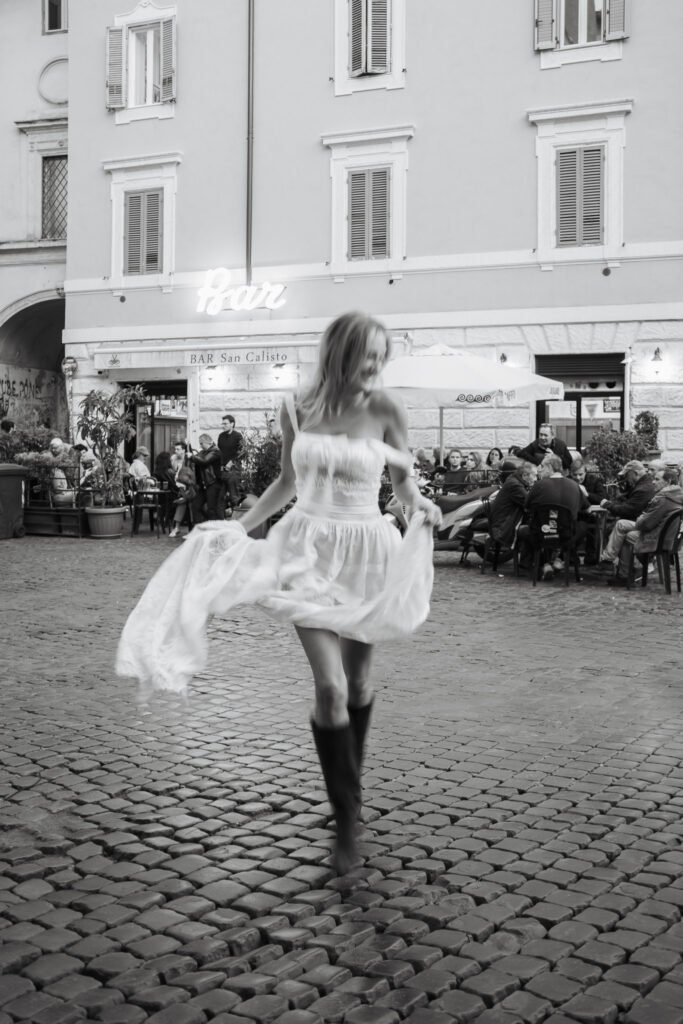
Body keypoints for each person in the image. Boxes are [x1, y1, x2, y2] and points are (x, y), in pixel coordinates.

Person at [117, 311, 442, 874]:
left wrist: (423, 503)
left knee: (361, 682)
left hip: (367, 549)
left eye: (381, 358)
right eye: (367, 356)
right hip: (306, 550)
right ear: (340, 353)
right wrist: (239, 529)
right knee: (332, 684)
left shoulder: (388, 409)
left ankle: (350, 785)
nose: (375, 367)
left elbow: (402, 482)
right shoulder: (298, 406)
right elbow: (288, 483)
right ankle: (346, 820)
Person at [607, 468, 683, 587]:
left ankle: (623, 573)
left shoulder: (664, 499)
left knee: (627, 535)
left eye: (657, 479)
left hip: (657, 539)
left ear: (667, 482)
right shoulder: (676, 495)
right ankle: (615, 563)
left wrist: (640, 517)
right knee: (621, 524)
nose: (653, 482)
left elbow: (646, 524)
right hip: (668, 537)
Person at [518, 454, 588, 578]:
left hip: (542, 534)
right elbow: (587, 508)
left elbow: (526, 506)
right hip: (566, 535)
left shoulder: (539, 485)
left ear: (550, 467)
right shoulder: (574, 486)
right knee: (583, 526)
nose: (540, 469)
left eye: (542, 466)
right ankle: (559, 560)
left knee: (525, 531)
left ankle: (544, 564)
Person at [599, 460, 657, 569]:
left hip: (642, 523)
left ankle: (609, 561)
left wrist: (608, 505)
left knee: (616, 526)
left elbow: (628, 510)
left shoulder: (643, 488)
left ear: (635, 473)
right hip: (642, 521)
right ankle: (622, 570)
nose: (626, 477)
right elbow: (629, 504)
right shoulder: (642, 484)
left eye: (627, 474)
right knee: (616, 527)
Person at [490, 461, 537, 550]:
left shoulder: (514, 479)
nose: (535, 479)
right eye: (534, 475)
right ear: (525, 476)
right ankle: (529, 562)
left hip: (504, 521)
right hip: (503, 526)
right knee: (534, 531)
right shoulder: (515, 485)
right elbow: (530, 504)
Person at [190, 433, 222, 523]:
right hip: (204, 484)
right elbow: (197, 458)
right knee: (195, 506)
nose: (200, 446)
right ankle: (198, 530)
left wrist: (192, 457)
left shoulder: (215, 451)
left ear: (209, 442)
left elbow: (204, 461)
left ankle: (212, 531)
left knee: (211, 509)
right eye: (200, 443)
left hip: (213, 483)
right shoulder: (203, 452)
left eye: (201, 443)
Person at [217, 414, 244, 510]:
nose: (223, 425)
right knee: (220, 498)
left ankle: (236, 521)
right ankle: (221, 522)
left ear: (232, 424)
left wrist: (232, 462)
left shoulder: (238, 436)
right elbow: (220, 452)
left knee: (234, 497)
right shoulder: (221, 436)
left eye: (225, 423)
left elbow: (242, 453)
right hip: (222, 471)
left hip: (234, 471)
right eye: (222, 423)